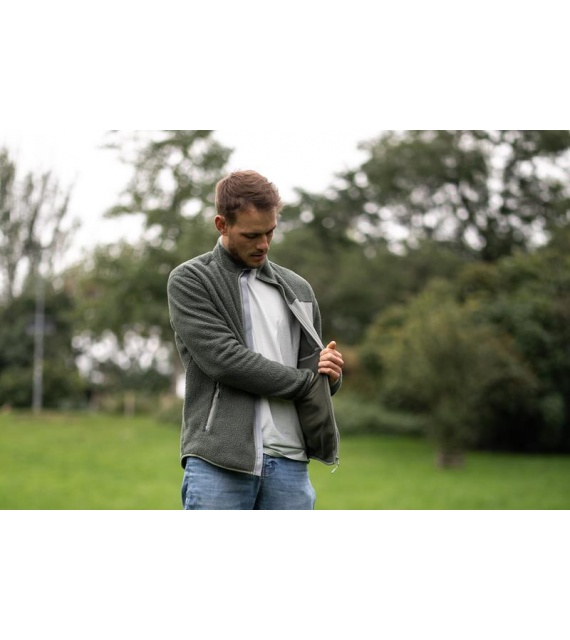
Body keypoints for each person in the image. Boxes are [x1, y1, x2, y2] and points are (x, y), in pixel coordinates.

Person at [167, 170, 344, 510]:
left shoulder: (299, 289)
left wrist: (329, 375)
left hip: (291, 462)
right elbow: (225, 360)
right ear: (221, 225)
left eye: (270, 232)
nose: (263, 244)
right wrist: (306, 383)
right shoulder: (192, 280)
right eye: (251, 235)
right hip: (221, 460)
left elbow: (314, 374)